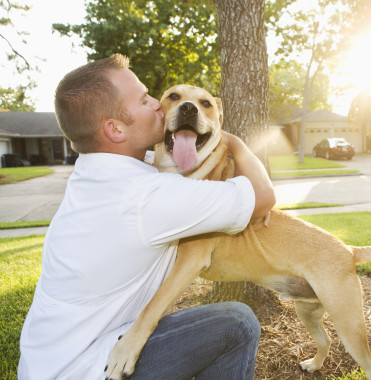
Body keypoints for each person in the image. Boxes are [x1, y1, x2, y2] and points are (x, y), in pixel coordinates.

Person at [18, 53, 275, 380]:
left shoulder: (94, 171)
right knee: (238, 323)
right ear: (114, 129)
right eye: (143, 100)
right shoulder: (148, 197)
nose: (157, 104)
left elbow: (168, 164)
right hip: (86, 369)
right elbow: (264, 197)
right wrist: (235, 144)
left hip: (46, 362)